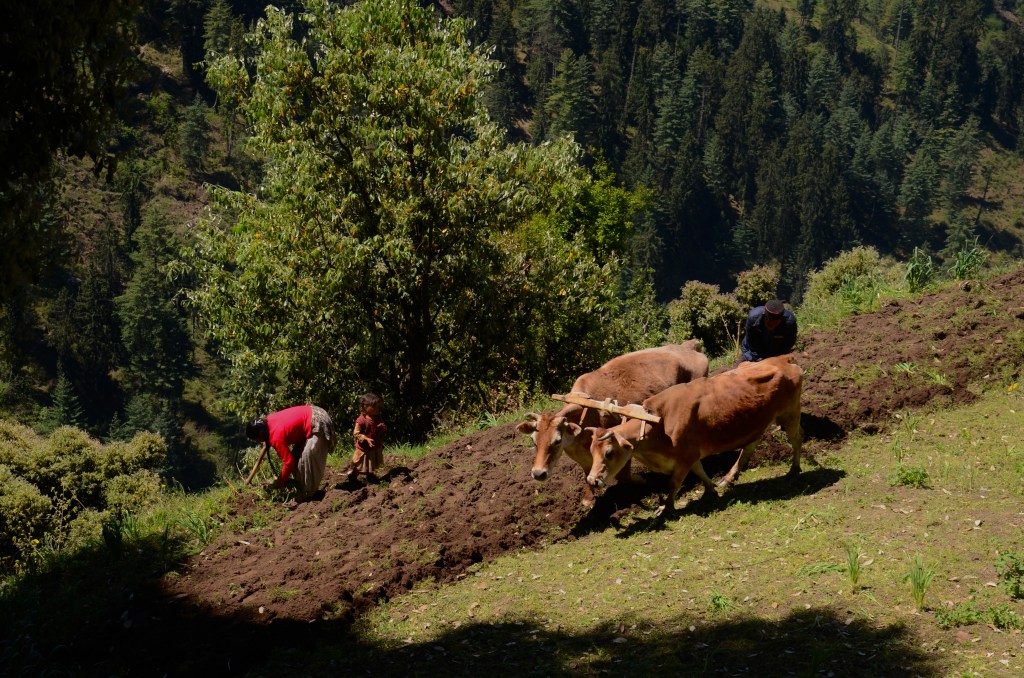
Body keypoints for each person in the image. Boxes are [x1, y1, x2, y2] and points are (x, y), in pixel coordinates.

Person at [246, 404, 336, 503]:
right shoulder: (268, 420)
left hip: (318, 421)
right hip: (311, 414)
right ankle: (302, 488)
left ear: (260, 435)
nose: (257, 441)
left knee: (307, 458)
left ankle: (308, 494)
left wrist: (280, 482)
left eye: (256, 439)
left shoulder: (275, 437)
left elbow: (289, 463)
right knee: (297, 457)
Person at [347, 393, 387, 483]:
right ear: (365, 407)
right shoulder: (361, 420)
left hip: (374, 445)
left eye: (378, 407)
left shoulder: (377, 417)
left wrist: (383, 427)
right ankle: (353, 476)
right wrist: (365, 438)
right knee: (360, 464)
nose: (377, 409)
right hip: (364, 447)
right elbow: (356, 433)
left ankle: (370, 475)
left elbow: (381, 428)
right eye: (374, 407)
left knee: (371, 461)